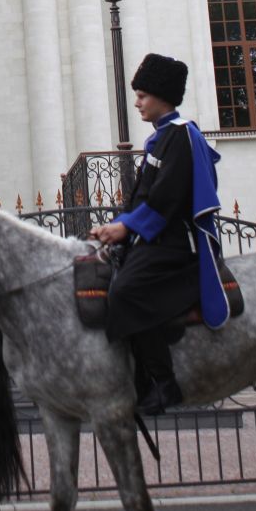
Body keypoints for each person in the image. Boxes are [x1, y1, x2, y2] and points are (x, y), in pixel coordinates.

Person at [88, 53, 228, 414]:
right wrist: (117, 224)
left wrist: (126, 227)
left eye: (142, 95)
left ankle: (161, 383)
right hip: (152, 239)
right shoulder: (162, 139)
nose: (137, 103)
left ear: (163, 96)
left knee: (126, 291)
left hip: (173, 245)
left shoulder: (181, 137)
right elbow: (144, 198)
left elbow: (167, 200)